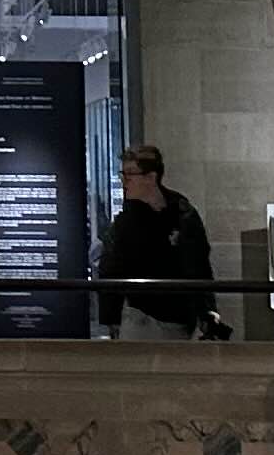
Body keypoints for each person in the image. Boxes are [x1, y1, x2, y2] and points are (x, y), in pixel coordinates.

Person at [96, 143, 225, 341]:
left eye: (130, 175)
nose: (124, 181)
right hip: (140, 315)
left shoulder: (181, 213)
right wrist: (111, 316)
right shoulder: (127, 221)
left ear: (150, 177)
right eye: (123, 174)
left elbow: (198, 263)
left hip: (178, 318)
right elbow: (111, 267)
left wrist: (206, 310)